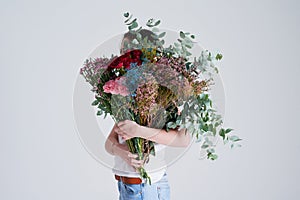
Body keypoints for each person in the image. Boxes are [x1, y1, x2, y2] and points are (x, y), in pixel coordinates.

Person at [105, 29, 191, 200]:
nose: (124, 56)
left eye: (131, 50)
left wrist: (138, 131)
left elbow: (183, 139)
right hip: (127, 185)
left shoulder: (163, 94)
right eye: (123, 50)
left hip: (147, 185)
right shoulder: (129, 93)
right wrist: (122, 151)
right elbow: (108, 143)